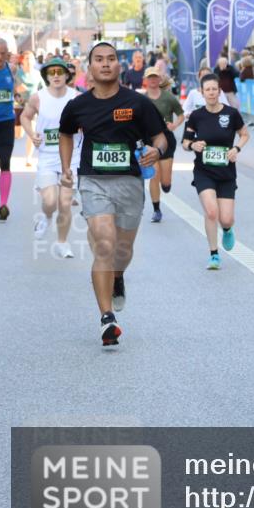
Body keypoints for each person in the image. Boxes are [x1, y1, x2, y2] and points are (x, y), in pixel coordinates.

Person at [58, 42, 167, 346]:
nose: (105, 64)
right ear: (89, 67)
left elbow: (161, 136)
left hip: (130, 183)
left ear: (119, 67)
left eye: (110, 59)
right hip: (93, 181)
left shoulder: (138, 103)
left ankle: (118, 276)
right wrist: (66, 167)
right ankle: (107, 318)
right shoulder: (77, 105)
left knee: (122, 252)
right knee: (104, 244)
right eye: (98, 60)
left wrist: (156, 151)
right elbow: (66, 133)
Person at [182, 73, 249, 269]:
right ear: (201, 93)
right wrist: (193, 145)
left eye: (214, 89)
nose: (211, 93)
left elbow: (244, 134)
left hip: (226, 173)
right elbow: (185, 142)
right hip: (204, 171)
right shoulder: (196, 116)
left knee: (226, 218)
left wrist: (236, 149)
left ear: (219, 91)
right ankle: (213, 254)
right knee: (211, 212)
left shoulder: (231, 114)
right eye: (207, 90)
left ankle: (227, 229)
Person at [20, 57, 81, 257]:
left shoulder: (76, 97)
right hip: (47, 156)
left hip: (71, 157)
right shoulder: (38, 98)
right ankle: (46, 217)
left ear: (66, 75)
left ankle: (62, 243)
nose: (56, 76)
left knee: (65, 202)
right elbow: (25, 117)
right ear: (46, 76)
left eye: (59, 72)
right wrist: (32, 134)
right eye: (51, 72)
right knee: (50, 200)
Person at [141, 67, 185, 222]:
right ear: (145, 80)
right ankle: (156, 210)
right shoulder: (141, 99)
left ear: (159, 79)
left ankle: (166, 185)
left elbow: (181, 115)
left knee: (165, 182)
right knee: (154, 176)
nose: (153, 80)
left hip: (166, 139)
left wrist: (175, 125)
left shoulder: (168, 98)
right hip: (149, 141)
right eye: (150, 77)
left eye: (155, 77)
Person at [0, 38, 16, 219]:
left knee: (5, 162)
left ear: (7, 53)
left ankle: (3, 205)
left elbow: (18, 89)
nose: (0, 57)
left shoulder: (12, 69)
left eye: (3, 53)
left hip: (7, 122)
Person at [17, 50, 44, 167]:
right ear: (22, 61)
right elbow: (12, 90)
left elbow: (43, 89)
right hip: (18, 106)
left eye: (31, 58)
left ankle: (28, 158)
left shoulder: (37, 74)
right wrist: (17, 92)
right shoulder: (18, 74)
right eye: (27, 59)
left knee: (31, 132)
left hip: (31, 108)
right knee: (18, 135)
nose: (29, 61)